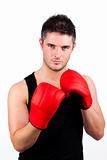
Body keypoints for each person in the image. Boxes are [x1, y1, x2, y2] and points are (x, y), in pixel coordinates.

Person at [8, 14, 105, 160]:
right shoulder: (20, 90)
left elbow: (98, 133)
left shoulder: (85, 82)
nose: (57, 54)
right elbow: (18, 144)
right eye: (51, 46)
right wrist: (38, 120)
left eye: (65, 47)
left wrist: (86, 103)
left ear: (73, 46)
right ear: (41, 43)